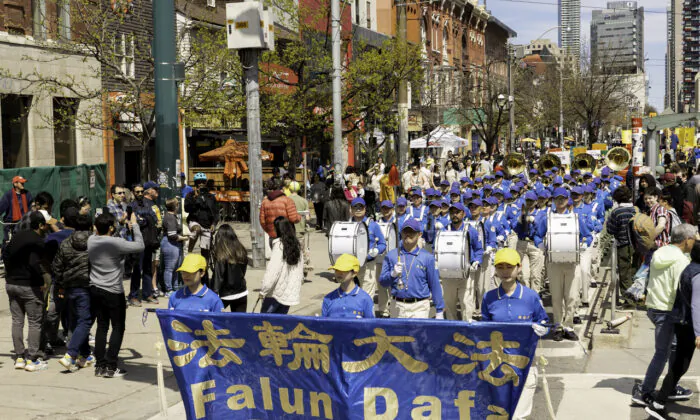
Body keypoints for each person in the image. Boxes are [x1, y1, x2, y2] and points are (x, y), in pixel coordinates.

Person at [631, 223, 697, 407]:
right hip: (668, 311)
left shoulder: (660, 252)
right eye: (694, 239)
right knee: (663, 353)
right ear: (687, 240)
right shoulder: (682, 261)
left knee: (672, 349)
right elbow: (683, 289)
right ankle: (645, 391)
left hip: (654, 306)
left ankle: (670, 386)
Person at [481, 248, 549, 420]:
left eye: (509, 267)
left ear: (519, 268)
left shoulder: (531, 297)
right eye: (500, 267)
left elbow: (544, 321)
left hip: (525, 363)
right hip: (497, 366)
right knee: (500, 414)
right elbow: (484, 330)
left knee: (519, 416)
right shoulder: (488, 298)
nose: (505, 272)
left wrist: (542, 328)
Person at [644, 242, 700, 419]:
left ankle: (658, 402)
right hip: (689, 325)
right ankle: (656, 401)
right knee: (674, 363)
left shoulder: (688, 267)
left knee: (678, 365)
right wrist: (698, 333)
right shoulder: (696, 274)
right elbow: (696, 306)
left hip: (680, 321)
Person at [88, 211, 145, 378]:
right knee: (118, 327)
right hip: (113, 291)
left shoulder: (91, 240)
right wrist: (134, 225)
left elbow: (98, 230)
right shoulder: (116, 243)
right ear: (111, 228)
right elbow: (140, 245)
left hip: (95, 289)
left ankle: (100, 365)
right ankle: (111, 365)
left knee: (102, 326)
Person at [4, 212, 51, 372]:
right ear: (39, 225)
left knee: (17, 321)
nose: (46, 227)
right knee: (34, 322)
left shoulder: (17, 236)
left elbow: (5, 254)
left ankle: (19, 357)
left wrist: (11, 274)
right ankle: (32, 359)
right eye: (45, 224)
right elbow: (33, 263)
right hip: (29, 286)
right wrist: (42, 281)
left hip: (11, 284)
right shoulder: (37, 241)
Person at [379, 218, 445, 319]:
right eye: (405, 231)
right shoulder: (391, 255)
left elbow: (434, 284)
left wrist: (439, 310)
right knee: (398, 335)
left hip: (420, 306)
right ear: (401, 233)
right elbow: (383, 282)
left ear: (419, 234)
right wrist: (392, 275)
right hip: (397, 305)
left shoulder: (427, 257)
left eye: (412, 232)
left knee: (417, 335)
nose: (408, 234)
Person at [54, 214, 95, 372]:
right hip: (87, 286)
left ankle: (84, 355)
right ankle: (70, 354)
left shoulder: (65, 243)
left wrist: (61, 285)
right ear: (91, 226)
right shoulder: (94, 242)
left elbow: (57, 266)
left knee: (76, 321)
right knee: (84, 321)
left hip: (70, 286)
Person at [442, 203, 483, 320]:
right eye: (452, 213)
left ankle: (467, 328)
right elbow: (437, 248)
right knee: (449, 304)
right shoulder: (445, 230)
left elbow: (478, 248)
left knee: (466, 302)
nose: (454, 215)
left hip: (467, 273)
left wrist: (476, 261)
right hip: (449, 273)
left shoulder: (471, 230)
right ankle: (451, 328)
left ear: (463, 214)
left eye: (457, 212)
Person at [260, 217, 304, 314]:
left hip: (275, 294)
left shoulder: (279, 246)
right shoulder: (296, 245)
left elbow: (273, 271)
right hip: (288, 293)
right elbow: (300, 271)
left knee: (264, 323)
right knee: (279, 324)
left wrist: (263, 290)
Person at [128, 182, 160, 306]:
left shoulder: (149, 204)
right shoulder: (131, 206)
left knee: (147, 268)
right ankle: (133, 296)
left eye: (142, 191)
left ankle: (147, 294)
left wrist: (143, 219)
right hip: (137, 242)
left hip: (149, 241)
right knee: (137, 269)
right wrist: (143, 219)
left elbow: (154, 219)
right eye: (137, 192)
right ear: (133, 193)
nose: (140, 194)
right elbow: (135, 221)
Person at [605, 186, 638, 303]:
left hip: (623, 245)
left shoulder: (617, 212)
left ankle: (630, 302)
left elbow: (610, 230)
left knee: (624, 275)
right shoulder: (635, 210)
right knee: (634, 272)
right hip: (637, 246)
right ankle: (637, 296)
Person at [210, 224, 249, 312]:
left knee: (214, 321)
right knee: (239, 322)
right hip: (241, 292)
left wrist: (213, 294)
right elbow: (243, 272)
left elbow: (218, 277)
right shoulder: (241, 251)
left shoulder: (221, 255)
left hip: (225, 294)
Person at [322, 254, 375, 318]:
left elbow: (371, 325)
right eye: (336, 270)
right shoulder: (328, 299)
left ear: (354, 273)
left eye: (344, 270)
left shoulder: (365, 299)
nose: (339, 273)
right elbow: (323, 325)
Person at [259, 178, 301, 246]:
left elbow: (262, 221)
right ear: (283, 188)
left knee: (276, 254)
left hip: (272, 236)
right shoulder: (288, 201)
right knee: (288, 255)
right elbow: (293, 218)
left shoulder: (264, 202)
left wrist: (270, 231)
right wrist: (299, 217)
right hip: (287, 235)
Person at [161, 198, 187, 295]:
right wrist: (185, 238)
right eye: (177, 204)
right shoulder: (170, 217)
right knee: (170, 268)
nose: (179, 206)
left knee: (176, 268)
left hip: (173, 244)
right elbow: (172, 235)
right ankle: (169, 290)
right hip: (170, 244)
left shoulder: (171, 216)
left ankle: (175, 287)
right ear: (175, 206)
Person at [0, 175, 33, 247]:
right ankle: (3, 257)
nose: (23, 184)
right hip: (10, 224)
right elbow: (1, 207)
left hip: (23, 223)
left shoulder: (27, 194)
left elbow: (31, 207)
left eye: (23, 183)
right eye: (21, 183)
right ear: (15, 184)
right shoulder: (8, 195)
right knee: (7, 243)